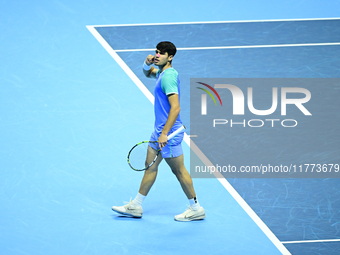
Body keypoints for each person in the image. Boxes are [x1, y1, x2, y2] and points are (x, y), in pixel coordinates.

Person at [112, 41, 205, 221]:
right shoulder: (162, 72)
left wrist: (164, 134)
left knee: (179, 172)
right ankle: (136, 206)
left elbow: (176, 108)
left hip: (169, 134)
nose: (157, 55)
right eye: (156, 52)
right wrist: (146, 64)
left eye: (161, 53)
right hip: (159, 131)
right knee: (150, 167)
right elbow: (149, 74)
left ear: (170, 57)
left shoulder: (169, 76)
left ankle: (196, 208)